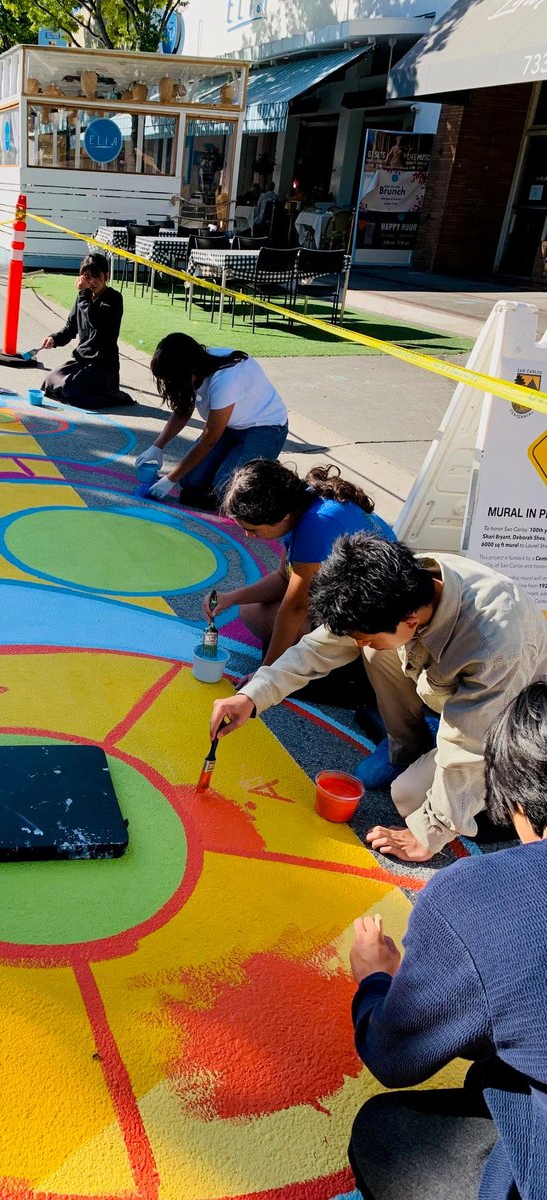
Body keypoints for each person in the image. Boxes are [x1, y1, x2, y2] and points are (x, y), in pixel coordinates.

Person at [209, 533, 547, 862]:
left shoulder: (496, 645)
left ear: (411, 621)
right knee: (378, 652)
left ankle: (500, 808)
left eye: (365, 637)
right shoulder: (395, 587)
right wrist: (253, 697)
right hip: (457, 697)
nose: (356, 645)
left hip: (512, 729)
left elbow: (467, 748)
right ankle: (406, 751)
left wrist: (429, 832)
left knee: (407, 797)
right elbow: (319, 647)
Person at [347, 681, 547, 1200]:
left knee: (384, 1132)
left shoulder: (482, 899)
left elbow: (396, 1058)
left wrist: (376, 981)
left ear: (517, 802)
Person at [205, 460, 396, 668]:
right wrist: (230, 598)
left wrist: (266, 674)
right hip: (367, 606)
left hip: (377, 627)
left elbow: (296, 607)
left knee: (269, 616)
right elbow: (283, 578)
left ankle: (346, 671)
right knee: (250, 608)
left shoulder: (316, 525)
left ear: (281, 517)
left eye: (253, 529)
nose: (248, 536)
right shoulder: (302, 501)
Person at [139, 333, 288, 511]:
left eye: (173, 379)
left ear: (189, 370)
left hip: (265, 427)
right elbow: (183, 408)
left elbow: (209, 439)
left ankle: (267, 469)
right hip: (229, 426)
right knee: (190, 480)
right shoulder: (195, 366)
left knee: (229, 492)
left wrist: (170, 479)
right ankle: (242, 460)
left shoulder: (225, 379)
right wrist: (158, 446)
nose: (170, 384)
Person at [40, 252, 133, 409]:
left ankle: (108, 392)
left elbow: (95, 320)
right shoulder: (83, 297)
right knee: (49, 381)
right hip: (82, 361)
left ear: (106, 276)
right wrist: (54, 339)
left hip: (103, 365)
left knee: (69, 389)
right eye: (88, 277)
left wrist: (83, 294)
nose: (93, 282)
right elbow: (71, 327)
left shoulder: (114, 298)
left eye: (97, 276)